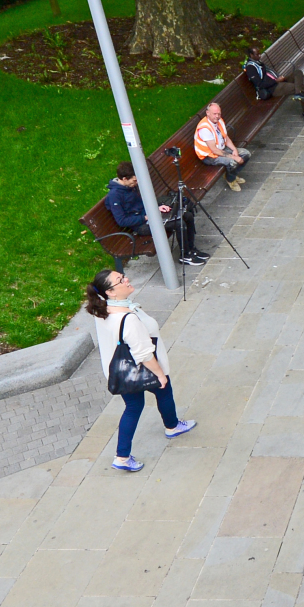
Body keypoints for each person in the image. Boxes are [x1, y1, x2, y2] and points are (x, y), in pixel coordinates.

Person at [85, 269, 193, 472]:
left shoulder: (102, 311)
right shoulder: (128, 320)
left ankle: (123, 456)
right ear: (110, 292)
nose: (126, 280)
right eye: (120, 280)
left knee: (133, 407)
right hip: (143, 369)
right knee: (164, 390)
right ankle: (172, 427)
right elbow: (143, 354)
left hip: (119, 373)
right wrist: (160, 373)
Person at [104, 163, 206, 265]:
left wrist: (156, 208)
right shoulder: (115, 196)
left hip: (149, 217)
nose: (136, 183)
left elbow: (141, 203)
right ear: (125, 179)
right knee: (179, 223)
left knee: (187, 215)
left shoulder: (129, 187)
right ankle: (185, 256)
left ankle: (191, 249)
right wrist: (145, 217)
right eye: (134, 181)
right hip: (140, 226)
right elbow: (122, 221)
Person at [246, 46, 304, 120]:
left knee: (298, 73)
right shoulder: (251, 67)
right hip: (273, 88)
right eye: (257, 54)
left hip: (278, 81)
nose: (259, 55)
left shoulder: (258, 63)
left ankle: (298, 94)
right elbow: (260, 84)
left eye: (259, 53)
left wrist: (278, 78)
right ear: (251, 55)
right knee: (299, 86)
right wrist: (276, 81)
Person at [192, 101, 248, 189]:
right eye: (214, 114)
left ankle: (232, 175)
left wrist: (234, 149)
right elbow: (214, 150)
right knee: (233, 162)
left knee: (246, 154)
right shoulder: (205, 128)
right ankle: (230, 180)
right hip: (209, 156)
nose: (217, 116)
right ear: (208, 113)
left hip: (220, 148)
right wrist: (234, 157)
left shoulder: (219, 121)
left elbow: (225, 137)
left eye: (219, 114)